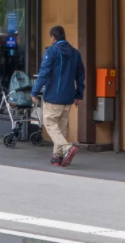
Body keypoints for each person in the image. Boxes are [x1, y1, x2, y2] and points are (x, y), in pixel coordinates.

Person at [31, 25, 85, 168]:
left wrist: (34, 91)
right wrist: (79, 94)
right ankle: (57, 157)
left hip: (53, 96)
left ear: (53, 38)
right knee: (61, 128)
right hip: (68, 97)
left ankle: (67, 148)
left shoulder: (52, 51)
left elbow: (44, 73)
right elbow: (80, 75)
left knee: (50, 124)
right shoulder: (75, 53)